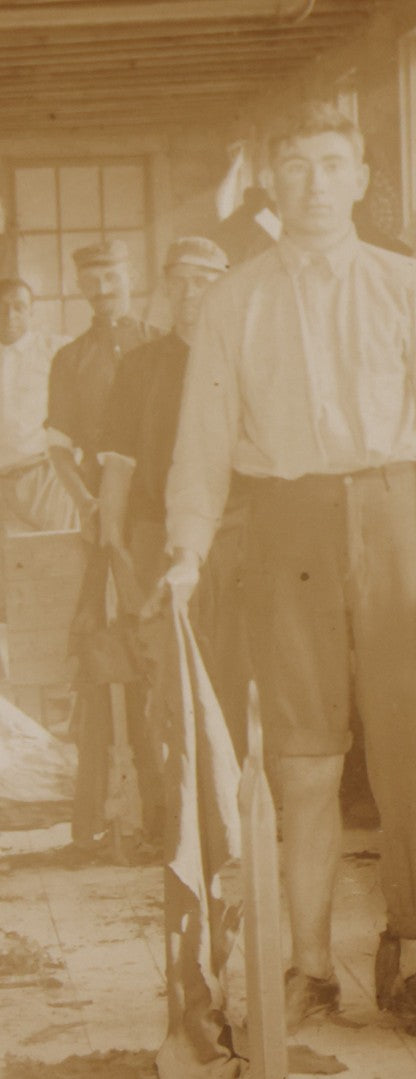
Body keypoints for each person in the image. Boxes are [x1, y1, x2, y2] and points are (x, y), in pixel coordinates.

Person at [164, 103, 416, 1035]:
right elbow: (201, 445)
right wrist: (184, 553)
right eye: (294, 164)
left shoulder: (413, 287)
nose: (311, 183)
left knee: (412, 760)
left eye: (330, 163)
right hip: (287, 534)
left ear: (359, 176)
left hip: (399, 526)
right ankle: (309, 965)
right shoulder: (235, 300)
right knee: (303, 769)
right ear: (273, 180)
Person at [97, 236, 250, 759]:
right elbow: (117, 461)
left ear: (223, 287)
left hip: (233, 536)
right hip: (154, 536)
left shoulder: (243, 360)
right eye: (179, 280)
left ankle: (229, 802)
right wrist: (113, 545)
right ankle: (168, 809)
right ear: (164, 288)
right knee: (159, 668)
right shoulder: (140, 366)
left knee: (232, 669)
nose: (190, 292)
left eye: (203, 281)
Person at [46, 238, 161, 848]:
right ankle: (103, 814)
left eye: (111, 278)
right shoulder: (72, 359)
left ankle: (168, 812)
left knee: (159, 651)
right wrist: (89, 504)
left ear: (130, 274)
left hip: (156, 516)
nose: (102, 290)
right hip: (102, 524)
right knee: (103, 654)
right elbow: (59, 448)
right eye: (91, 282)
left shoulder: (158, 345)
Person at [0, 278, 76, 541]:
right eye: (2, 306)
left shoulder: (56, 350)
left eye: (18, 307)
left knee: (58, 557)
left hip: (44, 480)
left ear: (32, 311)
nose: (9, 315)